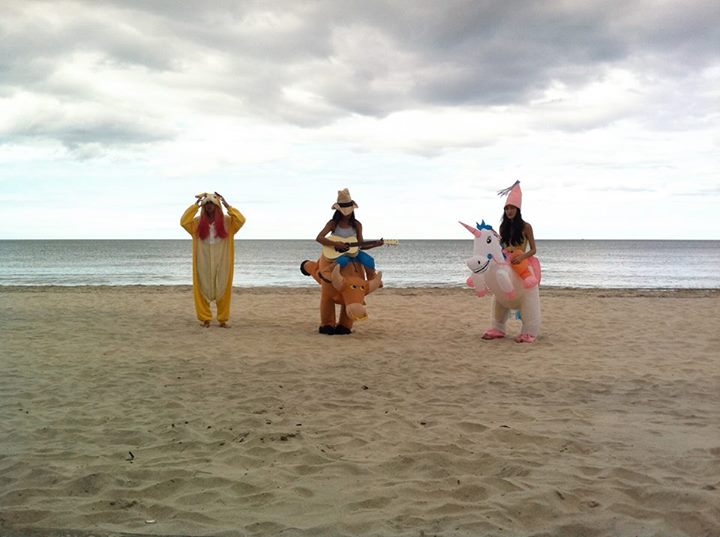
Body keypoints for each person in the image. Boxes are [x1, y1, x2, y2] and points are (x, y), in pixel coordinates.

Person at [180, 192, 246, 327]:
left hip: (223, 259)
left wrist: (227, 205)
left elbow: (241, 220)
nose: (209, 206)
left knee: (223, 288)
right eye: (207, 204)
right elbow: (184, 221)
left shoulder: (228, 222)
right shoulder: (197, 223)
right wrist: (195, 205)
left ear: (217, 206)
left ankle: (223, 319)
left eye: (212, 203)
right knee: (201, 287)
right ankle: (205, 319)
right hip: (202, 259)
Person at [315, 188, 383, 279]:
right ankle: (326, 272)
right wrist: (336, 244)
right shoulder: (332, 224)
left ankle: (372, 280)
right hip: (337, 253)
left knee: (369, 260)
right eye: (344, 212)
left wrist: (375, 245)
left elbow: (361, 245)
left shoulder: (357, 225)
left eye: (349, 212)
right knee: (343, 260)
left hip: (354, 252)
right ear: (339, 211)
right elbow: (319, 238)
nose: (347, 215)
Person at [497, 180, 538, 288]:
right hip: (506, 260)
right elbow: (501, 247)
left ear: (517, 209)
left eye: (512, 208)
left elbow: (533, 250)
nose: (509, 211)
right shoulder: (502, 227)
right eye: (506, 209)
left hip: (520, 260)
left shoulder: (526, 227)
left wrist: (521, 257)